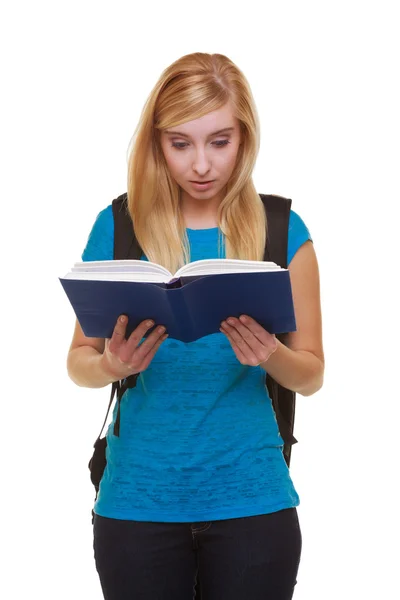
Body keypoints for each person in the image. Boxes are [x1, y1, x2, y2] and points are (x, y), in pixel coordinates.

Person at [67, 52, 324, 600]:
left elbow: (311, 374)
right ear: (157, 142)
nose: (201, 165)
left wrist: (268, 355)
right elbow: (78, 363)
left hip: (254, 501)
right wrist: (111, 364)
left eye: (219, 141)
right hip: (136, 501)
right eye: (180, 143)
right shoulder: (117, 226)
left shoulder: (283, 231)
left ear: (244, 138)